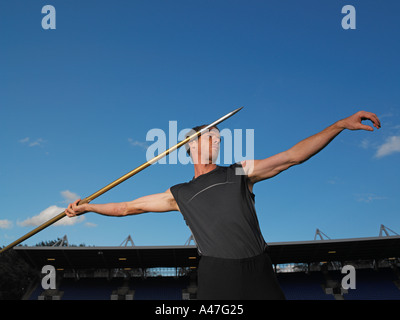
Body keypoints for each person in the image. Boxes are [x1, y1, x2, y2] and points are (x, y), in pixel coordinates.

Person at [66, 110, 381, 300]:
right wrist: (88, 207)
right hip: (218, 273)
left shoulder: (240, 171)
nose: (216, 141)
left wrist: (338, 125)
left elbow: (292, 157)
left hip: (258, 266)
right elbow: (127, 208)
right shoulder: (179, 192)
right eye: (209, 137)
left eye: (218, 138)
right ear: (190, 146)